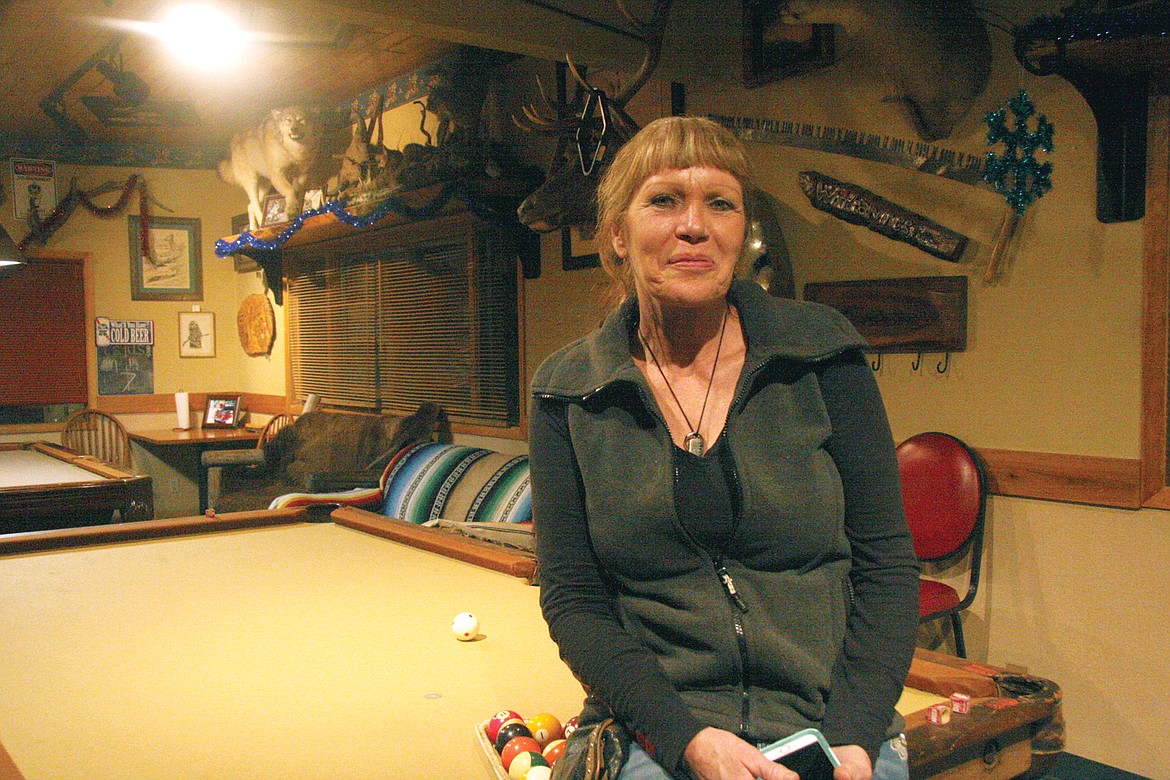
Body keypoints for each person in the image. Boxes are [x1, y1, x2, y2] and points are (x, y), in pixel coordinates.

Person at [528, 116, 921, 780]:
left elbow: (887, 570)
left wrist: (854, 739)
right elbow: (573, 599)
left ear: (742, 231)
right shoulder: (568, 390)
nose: (694, 225)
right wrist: (686, 740)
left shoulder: (822, 353)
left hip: (833, 726)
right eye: (663, 200)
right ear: (618, 235)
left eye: (720, 203)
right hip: (661, 731)